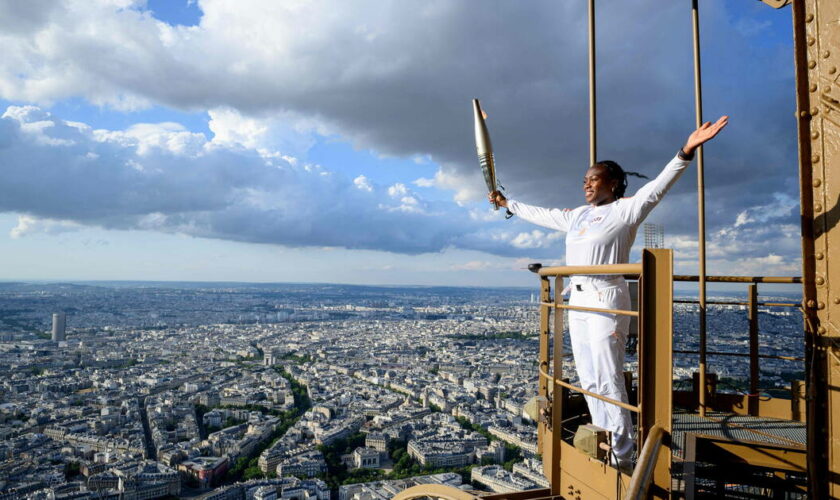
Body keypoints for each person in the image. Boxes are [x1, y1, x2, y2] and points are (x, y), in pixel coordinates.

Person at [488, 116, 728, 469]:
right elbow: (544, 214)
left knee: (608, 374)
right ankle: (603, 436)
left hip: (605, 298)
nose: (585, 184)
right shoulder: (578, 215)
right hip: (578, 300)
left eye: (593, 179)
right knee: (588, 375)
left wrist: (686, 150)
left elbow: (659, 187)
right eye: (584, 180)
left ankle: (622, 453)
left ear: (612, 183)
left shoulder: (625, 210)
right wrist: (508, 203)